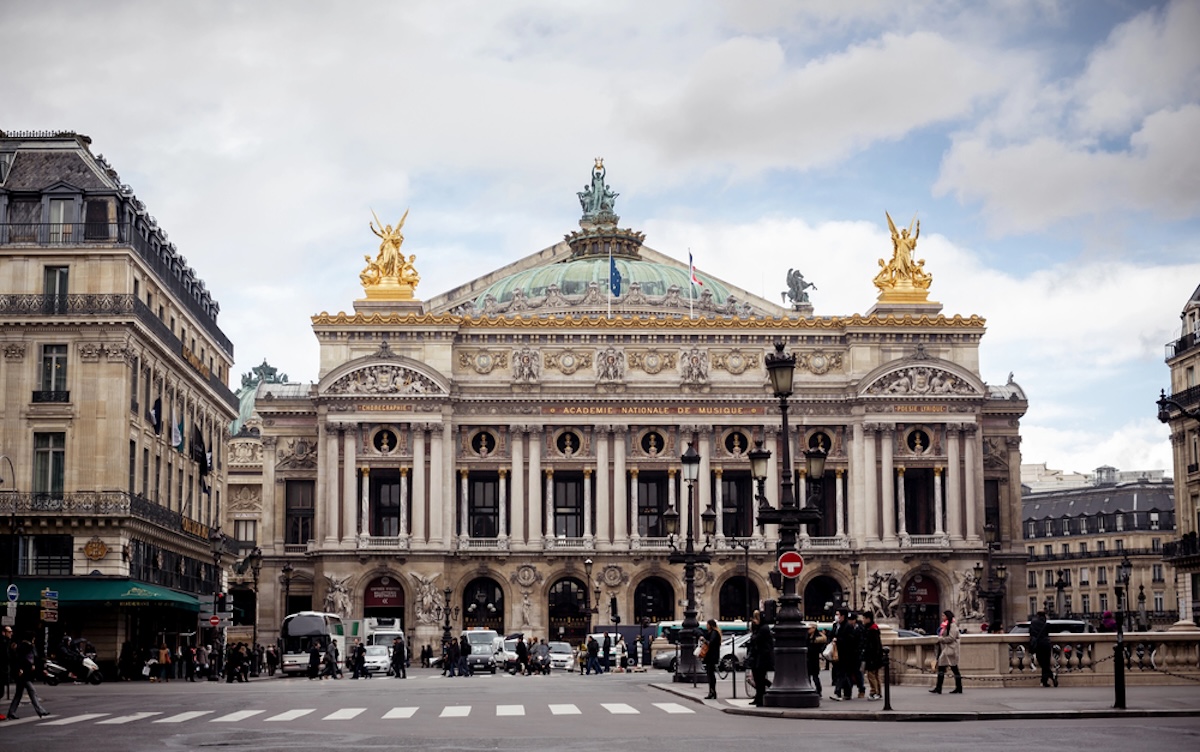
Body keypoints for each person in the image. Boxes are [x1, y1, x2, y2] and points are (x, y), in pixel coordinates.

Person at [5, 631, 48, 720]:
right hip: (23, 673)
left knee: (18, 694)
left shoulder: (28, 646)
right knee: (32, 691)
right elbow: (19, 659)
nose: (34, 639)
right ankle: (40, 710)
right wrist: (21, 668)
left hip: (26, 672)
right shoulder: (24, 647)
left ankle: (11, 712)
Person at [930, 609, 963, 694]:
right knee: (949, 668)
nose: (942, 617)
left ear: (947, 616)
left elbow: (951, 638)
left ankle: (940, 688)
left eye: (943, 615)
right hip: (947, 650)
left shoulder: (952, 626)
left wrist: (941, 639)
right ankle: (956, 688)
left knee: (949, 668)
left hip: (950, 650)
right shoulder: (946, 625)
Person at [748, 610, 773, 707]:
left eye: (755, 618)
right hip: (757, 656)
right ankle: (758, 697)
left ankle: (761, 698)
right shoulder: (759, 628)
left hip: (762, 657)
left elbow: (755, 639)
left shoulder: (764, 628)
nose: (754, 621)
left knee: (760, 679)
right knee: (757, 678)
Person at [1029, 610, 1056, 688]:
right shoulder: (1046, 624)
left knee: (1042, 663)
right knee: (1046, 663)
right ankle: (1046, 680)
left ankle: (1048, 678)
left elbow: (1031, 632)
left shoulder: (1033, 623)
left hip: (1038, 645)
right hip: (1046, 644)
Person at [861, 612, 884, 700]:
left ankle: (874, 692)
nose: (863, 620)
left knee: (871, 675)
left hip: (872, 656)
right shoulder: (873, 628)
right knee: (876, 675)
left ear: (868, 619)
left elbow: (874, 645)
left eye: (864, 618)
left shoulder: (872, 629)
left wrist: (872, 656)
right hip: (875, 656)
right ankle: (878, 692)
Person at [702, 619, 722, 700]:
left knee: (710, 674)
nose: (706, 626)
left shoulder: (714, 633)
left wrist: (704, 641)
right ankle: (712, 691)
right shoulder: (713, 632)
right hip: (711, 656)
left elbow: (711, 643)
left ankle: (712, 692)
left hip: (711, 656)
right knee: (710, 674)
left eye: (707, 624)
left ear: (710, 625)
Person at [805, 622, 827, 695]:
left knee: (815, 676)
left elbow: (821, 646)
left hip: (814, 658)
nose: (808, 630)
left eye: (810, 628)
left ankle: (818, 690)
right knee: (807, 676)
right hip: (807, 658)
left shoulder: (818, 637)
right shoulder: (807, 636)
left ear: (814, 629)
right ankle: (809, 688)